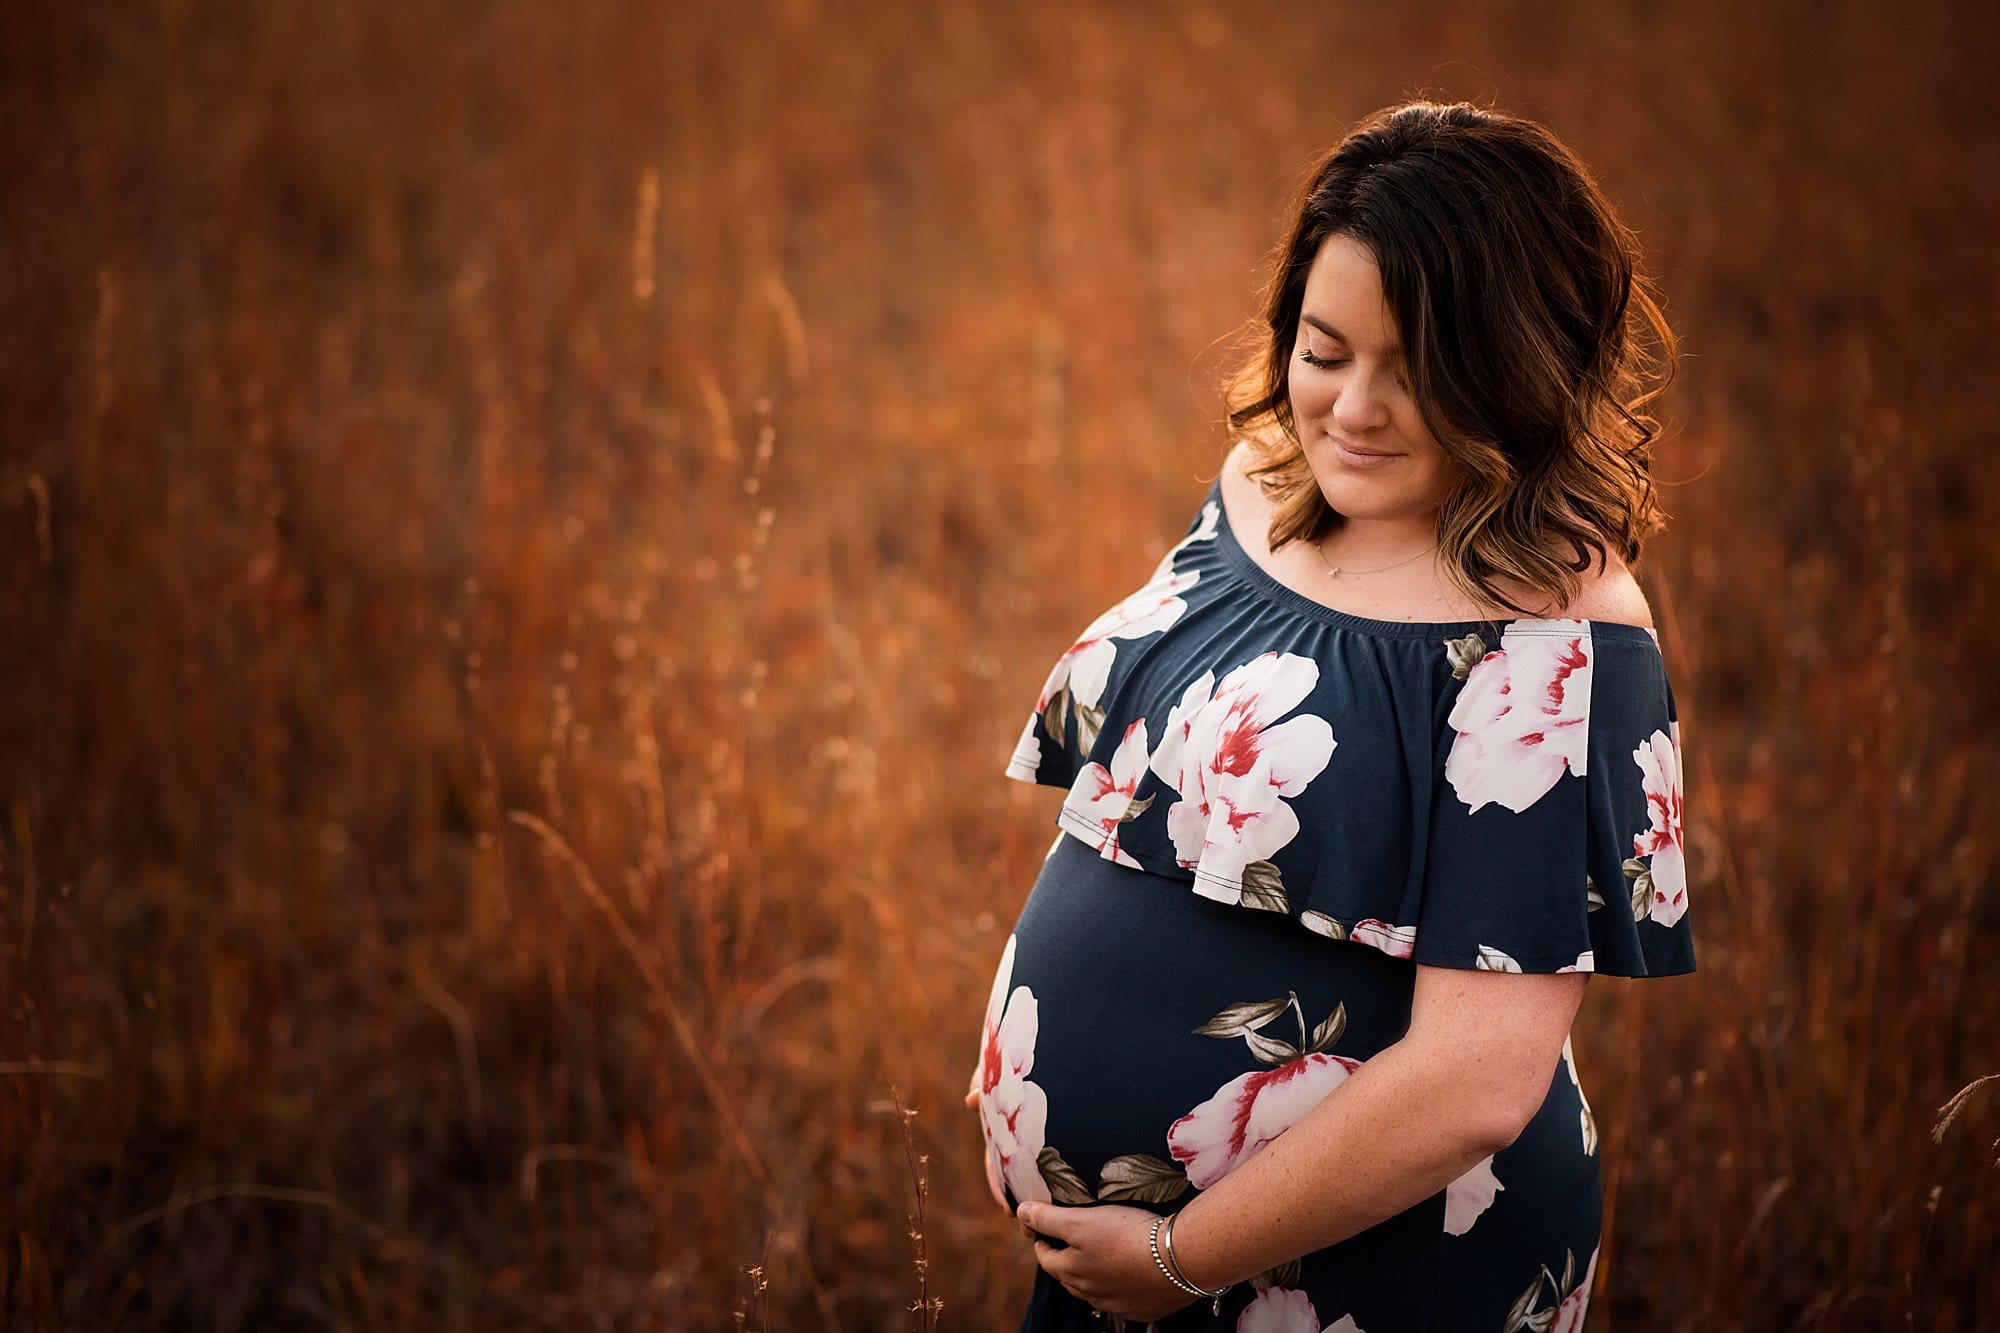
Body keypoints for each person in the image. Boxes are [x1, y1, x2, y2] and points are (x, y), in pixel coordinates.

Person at [966, 98, 1694, 1332]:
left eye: (1413, 371)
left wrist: (1181, 1256)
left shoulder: (1557, 637)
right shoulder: (1266, 484)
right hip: (1120, 1268)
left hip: (1360, 1279)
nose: (1351, 409)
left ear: (1515, 370)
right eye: (1323, 348)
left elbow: (1475, 1079)